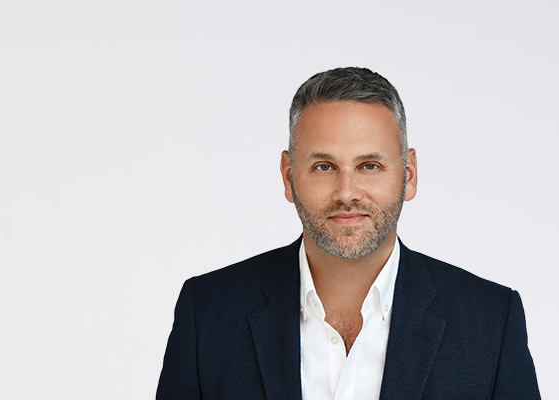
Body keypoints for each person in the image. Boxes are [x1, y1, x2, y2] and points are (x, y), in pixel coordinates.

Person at [156, 67, 539, 400]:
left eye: (369, 166)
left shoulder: (490, 323)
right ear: (288, 177)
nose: (346, 193)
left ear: (408, 175)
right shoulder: (207, 314)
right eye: (324, 166)